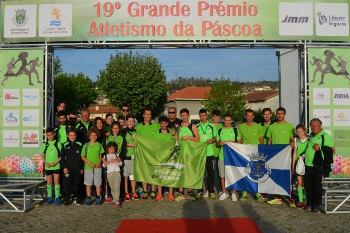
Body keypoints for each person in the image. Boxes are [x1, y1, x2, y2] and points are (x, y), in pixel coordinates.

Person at [304, 118, 335, 213]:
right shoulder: (310, 136)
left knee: (317, 186)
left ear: (320, 126)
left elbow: (332, 150)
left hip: (318, 165)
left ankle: (317, 204)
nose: (314, 127)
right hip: (308, 164)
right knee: (308, 186)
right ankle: (309, 202)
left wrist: (320, 147)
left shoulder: (325, 136)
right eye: (312, 126)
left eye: (316, 125)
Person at [266, 107, 295, 206]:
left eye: (281, 113)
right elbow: (269, 141)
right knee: (274, 175)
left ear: (284, 114)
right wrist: (268, 153)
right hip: (274, 156)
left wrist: (292, 144)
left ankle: (289, 197)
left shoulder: (290, 126)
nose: (279, 115)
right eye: (278, 113)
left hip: (286, 156)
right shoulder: (271, 127)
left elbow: (293, 140)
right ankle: (277, 197)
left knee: (287, 176)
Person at [237, 109, 264, 202]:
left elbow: (261, 140)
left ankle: (258, 193)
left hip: (256, 154)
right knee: (245, 173)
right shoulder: (241, 127)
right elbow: (239, 140)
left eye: (251, 116)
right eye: (247, 116)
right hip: (245, 153)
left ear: (253, 116)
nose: (249, 117)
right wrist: (240, 150)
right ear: (245, 116)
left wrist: (261, 151)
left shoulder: (258, 127)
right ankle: (244, 193)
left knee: (257, 174)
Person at [175, 108, 200, 201]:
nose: (184, 117)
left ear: (188, 116)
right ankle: (181, 193)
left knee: (189, 172)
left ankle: (189, 193)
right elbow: (176, 139)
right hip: (181, 153)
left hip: (190, 154)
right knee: (181, 173)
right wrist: (175, 137)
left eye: (185, 115)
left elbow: (198, 139)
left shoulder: (192, 126)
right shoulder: (178, 127)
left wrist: (188, 137)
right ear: (180, 116)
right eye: (182, 115)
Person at [136, 107, 160, 199]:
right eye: (146, 114)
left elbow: (164, 133)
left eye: (149, 114)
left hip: (153, 153)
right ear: (143, 115)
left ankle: (153, 190)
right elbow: (137, 140)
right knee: (144, 172)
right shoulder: (139, 127)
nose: (148, 116)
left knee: (153, 171)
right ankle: (146, 191)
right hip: (143, 153)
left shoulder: (156, 126)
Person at [196, 109, 218, 200]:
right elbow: (194, 138)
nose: (203, 117)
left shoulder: (212, 126)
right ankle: (199, 191)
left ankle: (211, 192)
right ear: (199, 116)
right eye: (201, 115)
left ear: (207, 116)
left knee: (210, 174)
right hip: (200, 153)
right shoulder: (196, 126)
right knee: (199, 174)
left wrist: (211, 140)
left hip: (210, 153)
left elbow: (216, 137)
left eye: (204, 115)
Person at [217, 114, 238, 201]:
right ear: (223, 121)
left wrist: (231, 142)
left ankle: (233, 193)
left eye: (229, 120)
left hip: (233, 156)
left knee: (234, 175)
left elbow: (240, 142)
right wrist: (220, 143)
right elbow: (217, 143)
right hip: (222, 156)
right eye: (225, 120)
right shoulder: (220, 130)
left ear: (231, 121)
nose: (227, 122)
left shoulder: (235, 130)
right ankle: (224, 192)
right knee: (222, 176)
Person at [155, 116, 177, 201]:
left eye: (165, 123)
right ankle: (160, 194)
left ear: (168, 123)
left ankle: (171, 194)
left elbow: (176, 142)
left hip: (170, 157)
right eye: (162, 123)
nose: (164, 125)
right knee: (160, 175)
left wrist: (175, 136)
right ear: (160, 124)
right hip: (160, 157)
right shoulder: (156, 133)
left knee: (170, 175)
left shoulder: (171, 132)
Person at [81, 128, 105, 205]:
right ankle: (88, 197)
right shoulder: (86, 145)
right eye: (92, 135)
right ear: (89, 136)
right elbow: (83, 157)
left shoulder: (99, 145)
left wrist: (99, 163)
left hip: (97, 167)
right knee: (88, 183)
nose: (94, 137)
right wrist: (89, 163)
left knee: (98, 183)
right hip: (88, 167)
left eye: (95, 135)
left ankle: (98, 197)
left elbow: (100, 155)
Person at [61, 129, 83, 205]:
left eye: (74, 135)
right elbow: (62, 157)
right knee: (67, 183)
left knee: (77, 183)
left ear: (76, 136)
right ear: (68, 136)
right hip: (68, 168)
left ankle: (76, 197)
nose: (72, 137)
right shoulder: (64, 144)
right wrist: (64, 167)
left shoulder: (80, 144)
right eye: (70, 135)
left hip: (77, 168)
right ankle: (67, 198)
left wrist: (81, 168)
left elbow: (82, 157)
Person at [41, 128, 62, 205]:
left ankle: (57, 197)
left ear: (54, 134)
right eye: (48, 135)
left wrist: (54, 163)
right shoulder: (45, 144)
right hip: (48, 167)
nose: (50, 136)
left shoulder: (58, 143)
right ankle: (50, 196)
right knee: (49, 182)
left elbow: (61, 156)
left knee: (56, 182)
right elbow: (42, 156)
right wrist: (46, 163)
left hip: (56, 166)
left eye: (51, 134)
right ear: (46, 135)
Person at [103, 121, 123, 203]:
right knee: (111, 185)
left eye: (117, 128)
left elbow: (123, 150)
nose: (115, 130)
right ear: (111, 129)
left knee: (117, 185)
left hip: (117, 169)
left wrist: (119, 158)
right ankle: (112, 196)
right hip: (109, 170)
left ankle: (116, 199)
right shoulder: (107, 137)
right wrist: (104, 161)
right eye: (114, 128)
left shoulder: (121, 138)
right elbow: (103, 150)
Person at [121, 114, 139, 201]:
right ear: (126, 122)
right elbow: (121, 144)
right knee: (126, 176)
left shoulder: (136, 131)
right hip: (126, 157)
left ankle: (133, 192)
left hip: (135, 157)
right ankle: (126, 193)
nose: (131, 123)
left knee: (133, 176)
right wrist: (130, 145)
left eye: (133, 121)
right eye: (129, 121)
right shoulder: (123, 131)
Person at [292, 124, 308, 208]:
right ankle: (301, 201)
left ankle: (306, 200)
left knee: (306, 182)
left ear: (304, 131)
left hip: (307, 162)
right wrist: (293, 165)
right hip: (298, 162)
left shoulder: (309, 139)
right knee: (299, 182)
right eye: (297, 132)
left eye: (301, 131)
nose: (299, 133)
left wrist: (304, 155)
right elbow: (295, 152)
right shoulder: (296, 140)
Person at [102, 142, 123, 208]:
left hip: (117, 172)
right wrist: (106, 163)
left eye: (113, 149)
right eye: (110, 149)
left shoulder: (116, 155)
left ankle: (117, 201)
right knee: (112, 187)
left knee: (117, 187)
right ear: (108, 149)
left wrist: (117, 160)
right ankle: (114, 199)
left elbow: (121, 164)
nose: (112, 150)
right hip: (109, 173)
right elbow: (103, 165)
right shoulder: (105, 156)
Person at [211, 110, 223, 195]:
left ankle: (220, 190)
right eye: (214, 116)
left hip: (220, 152)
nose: (216, 118)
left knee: (220, 173)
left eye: (218, 116)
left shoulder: (222, 126)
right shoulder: (209, 126)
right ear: (212, 117)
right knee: (210, 173)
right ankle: (210, 189)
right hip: (210, 152)